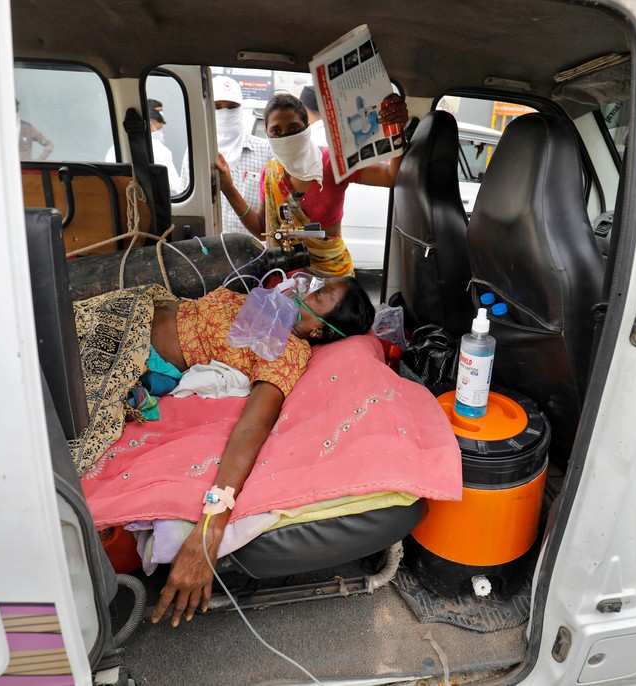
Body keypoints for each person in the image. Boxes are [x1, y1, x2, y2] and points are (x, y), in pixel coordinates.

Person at [69, 276, 374, 627]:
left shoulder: (287, 351)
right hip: (128, 306)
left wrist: (210, 529)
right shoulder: (268, 311)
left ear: (319, 330)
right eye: (314, 284)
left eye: (318, 295)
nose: (305, 290)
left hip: (121, 347)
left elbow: (252, 429)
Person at [215, 92, 409, 278]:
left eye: (293, 128)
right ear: (267, 134)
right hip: (287, 274)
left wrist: (397, 129)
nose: (286, 137)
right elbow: (261, 230)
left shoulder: (334, 163)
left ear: (307, 127)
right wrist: (229, 189)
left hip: (332, 273)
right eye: (276, 131)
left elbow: (390, 177)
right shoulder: (271, 172)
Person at [181, 76, 271, 236]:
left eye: (232, 107)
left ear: (241, 108)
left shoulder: (265, 150)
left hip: (253, 250)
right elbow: (187, 206)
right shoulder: (197, 152)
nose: (225, 113)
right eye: (217, 107)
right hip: (210, 249)